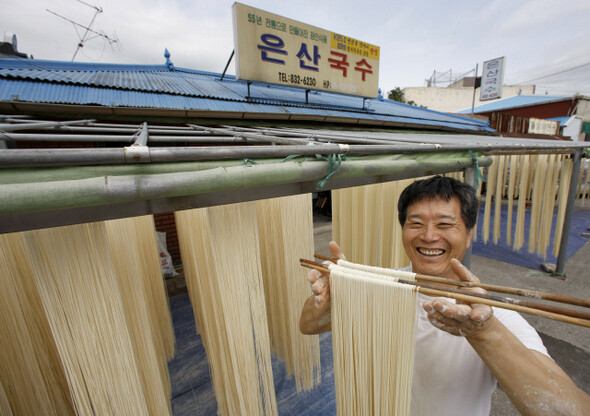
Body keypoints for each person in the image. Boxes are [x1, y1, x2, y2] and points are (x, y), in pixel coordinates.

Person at [299, 175, 590, 415]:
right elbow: (307, 326)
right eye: (415, 223)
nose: (428, 236)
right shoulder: (380, 286)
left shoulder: (492, 315)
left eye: (444, 224)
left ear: (469, 233)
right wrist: (331, 298)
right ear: (402, 229)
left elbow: (567, 410)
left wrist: (483, 333)